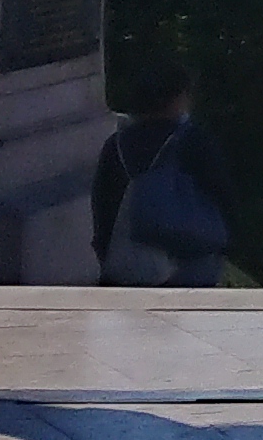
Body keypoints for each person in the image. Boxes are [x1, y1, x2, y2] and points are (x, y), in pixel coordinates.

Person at [90, 61, 237, 291]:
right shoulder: (194, 142)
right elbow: (223, 198)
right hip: (189, 270)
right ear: (179, 96)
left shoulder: (116, 146)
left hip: (126, 268)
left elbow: (102, 210)